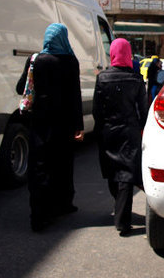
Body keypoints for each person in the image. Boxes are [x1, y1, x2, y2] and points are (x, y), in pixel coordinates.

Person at [16, 23, 84, 232]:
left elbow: (21, 88)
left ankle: (38, 215)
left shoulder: (35, 60)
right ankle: (62, 205)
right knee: (62, 165)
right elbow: (75, 96)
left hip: (40, 122)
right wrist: (78, 126)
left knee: (40, 166)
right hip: (63, 123)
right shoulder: (70, 61)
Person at [93, 38, 148, 236]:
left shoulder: (102, 78)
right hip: (129, 131)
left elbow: (96, 110)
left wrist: (100, 129)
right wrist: (142, 129)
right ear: (128, 53)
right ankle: (122, 216)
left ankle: (121, 216)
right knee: (126, 173)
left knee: (113, 171)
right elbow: (143, 109)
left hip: (109, 131)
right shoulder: (136, 78)